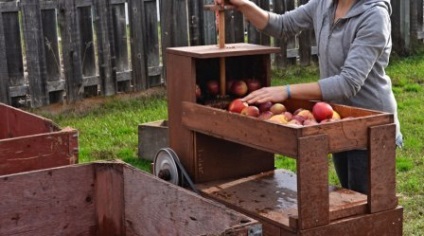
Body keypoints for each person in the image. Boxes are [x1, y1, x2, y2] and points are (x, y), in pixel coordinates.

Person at [215, 0, 403, 194]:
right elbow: (281, 25)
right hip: (337, 118)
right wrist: (243, 4)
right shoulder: (324, 4)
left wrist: (287, 91)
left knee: (369, 208)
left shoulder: (374, 16)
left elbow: (348, 83)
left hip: (373, 123)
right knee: (349, 198)